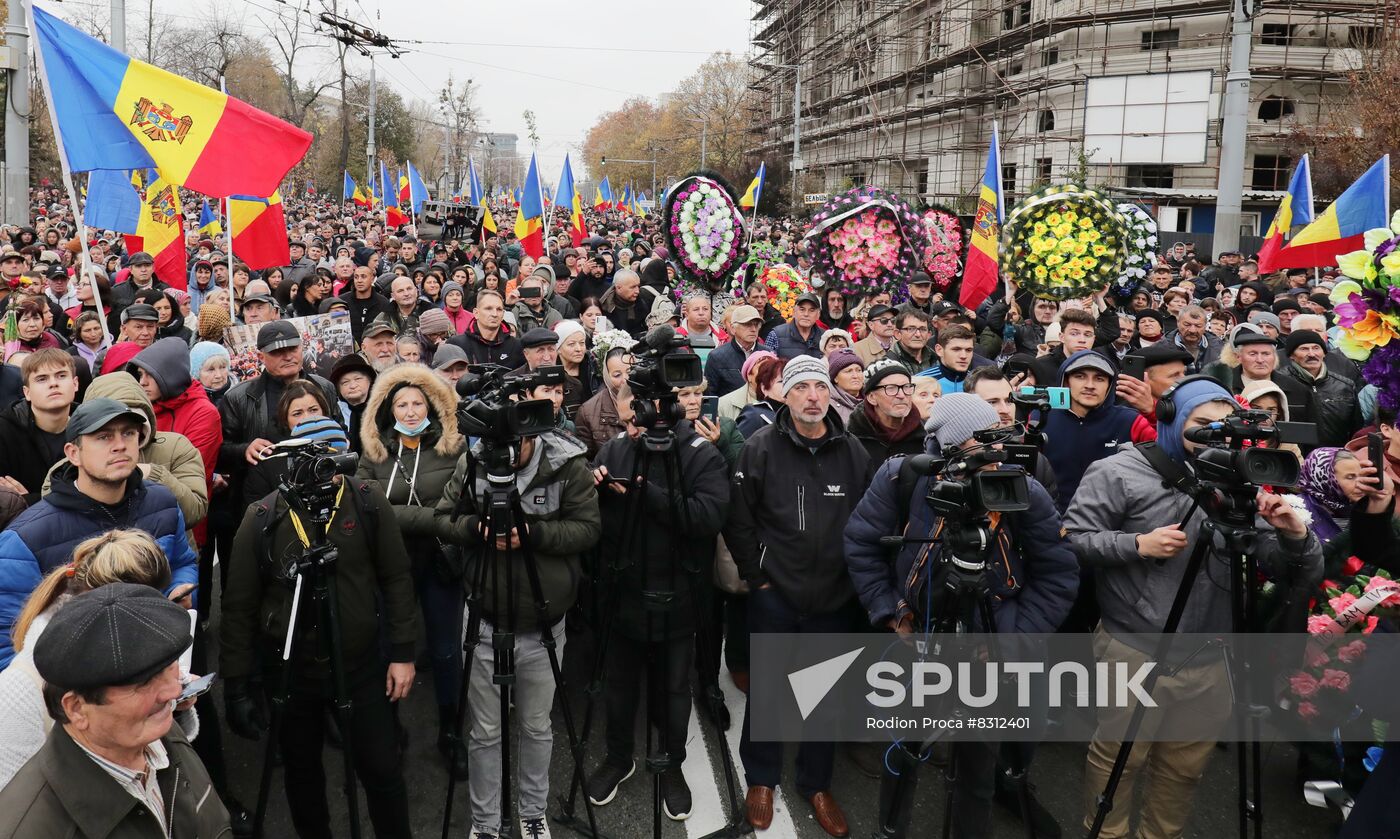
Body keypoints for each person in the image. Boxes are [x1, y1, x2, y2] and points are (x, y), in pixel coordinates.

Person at [1065, 377, 1322, 839]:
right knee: (1120, 760)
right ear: (1170, 418)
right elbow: (1076, 540)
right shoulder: (1118, 470)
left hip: (1212, 653)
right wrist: (1136, 544)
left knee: (1184, 770)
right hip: (1135, 646)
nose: (1213, 435)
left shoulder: (1243, 477)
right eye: (1201, 424)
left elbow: (1290, 567)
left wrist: (1293, 534)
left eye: (1222, 426)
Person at [844, 392, 1078, 839]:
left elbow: (1060, 573)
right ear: (949, 446)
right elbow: (861, 543)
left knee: (977, 765)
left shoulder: (1018, 487)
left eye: (995, 439)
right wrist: (893, 612)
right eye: (977, 442)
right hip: (920, 638)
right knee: (904, 753)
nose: (991, 454)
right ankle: (890, 828)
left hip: (991, 647)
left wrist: (1013, 638)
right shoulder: (904, 476)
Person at [221, 417, 417, 839]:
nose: (323, 466)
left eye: (333, 454)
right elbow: (238, 607)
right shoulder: (261, 517)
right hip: (291, 670)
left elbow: (397, 577)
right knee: (302, 772)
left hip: (361, 664)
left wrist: (402, 652)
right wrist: (237, 685)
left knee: (382, 767)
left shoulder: (367, 500)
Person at [432, 418, 600, 839]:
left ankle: (531, 812)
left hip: (543, 621)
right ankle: (486, 822)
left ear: (533, 437)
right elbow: (443, 518)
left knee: (536, 726)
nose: (501, 456)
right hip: (486, 620)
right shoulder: (474, 462)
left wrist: (535, 534)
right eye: (494, 446)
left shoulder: (566, 465)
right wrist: (476, 528)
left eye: (513, 446)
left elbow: (588, 528)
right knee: (486, 731)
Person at [725, 355, 872, 838]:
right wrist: (757, 577)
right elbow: (740, 521)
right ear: (784, 394)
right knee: (768, 690)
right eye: (803, 387)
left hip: (833, 597)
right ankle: (761, 778)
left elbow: (868, 525)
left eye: (821, 387)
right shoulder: (760, 448)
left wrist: (853, 581)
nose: (813, 396)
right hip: (776, 593)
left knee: (822, 695)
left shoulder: (853, 452)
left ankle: (816, 783)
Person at [585, 388, 729, 820]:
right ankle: (618, 757)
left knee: (672, 687)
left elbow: (708, 516)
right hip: (622, 589)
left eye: (643, 414)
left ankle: (672, 766)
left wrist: (648, 494)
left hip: (680, 591)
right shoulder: (614, 448)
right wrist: (595, 487)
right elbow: (587, 513)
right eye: (631, 413)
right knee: (620, 684)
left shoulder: (700, 453)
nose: (636, 424)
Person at [0, 582, 231, 838]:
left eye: (169, 667)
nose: (173, 692)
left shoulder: (159, 736)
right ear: (77, 709)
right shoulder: (29, 829)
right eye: (143, 682)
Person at [0, 397, 198, 668]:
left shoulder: (161, 502)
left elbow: (182, 562)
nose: (120, 445)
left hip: (156, 664)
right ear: (73, 453)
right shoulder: (26, 539)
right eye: (103, 437)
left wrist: (178, 589)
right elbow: (8, 642)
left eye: (128, 433)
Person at [356, 365, 469, 779]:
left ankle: (451, 731)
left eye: (417, 402)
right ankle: (392, 730)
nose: (408, 410)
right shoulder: (375, 452)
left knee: (444, 650)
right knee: (389, 647)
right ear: (388, 409)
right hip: (389, 565)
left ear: (432, 406)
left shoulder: (451, 449)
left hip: (440, 561)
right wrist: (427, 517)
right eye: (400, 403)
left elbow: (456, 509)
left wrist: (398, 516)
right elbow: (365, 507)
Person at [1043, 350, 1156, 514]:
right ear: (1066, 382)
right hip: (1052, 520)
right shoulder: (1041, 417)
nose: (1090, 385)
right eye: (1080, 376)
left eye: (1099, 378)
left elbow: (1168, 456)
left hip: (1112, 522)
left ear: (1110, 385)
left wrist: (1151, 412)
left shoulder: (1130, 421)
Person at [0, 349, 78, 505]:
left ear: (75, 384)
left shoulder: (92, 428)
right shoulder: (4, 432)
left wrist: (31, 499)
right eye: (42, 379)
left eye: (61, 375)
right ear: (27, 392)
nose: (53, 383)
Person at [1276, 330, 1361, 449]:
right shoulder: (1279, 384)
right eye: (1304, 349)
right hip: (1294, 457)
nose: (1311, 354)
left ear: (1324, 353)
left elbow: (1356, 429)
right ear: (1291, 355)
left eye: (1316, 348)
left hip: (1336, 457)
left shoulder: (1344, 385)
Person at [846, 358, 926, 468]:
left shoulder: (927, 436)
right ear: (872, 397)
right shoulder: (850, 439)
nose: (901, 395)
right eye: (891, 388)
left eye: (907, 387)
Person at [450, 289, 525, 369]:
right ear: (476, 313)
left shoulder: (516, 346)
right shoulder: (456, 345)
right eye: (488, 309)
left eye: (499, 309)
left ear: (503, 314)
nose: (494, 314)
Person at [705, 304, 764, 397]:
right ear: (733, 329)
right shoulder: (717, 357)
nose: (753, 329)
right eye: (747, 324)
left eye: (756, 325)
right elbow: (710, 395)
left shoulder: (767, 355)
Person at [918, 323, 979, 393]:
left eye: (968, 350)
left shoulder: (979, 383)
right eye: (956, 349)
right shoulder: (921, 382)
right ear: (939, 350)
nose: (963, 356)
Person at [764, 292, 824, 360]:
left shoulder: (825, 337)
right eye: (802, 309)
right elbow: (766, 366)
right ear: (794, 312)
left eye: (811, 310)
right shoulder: (776, 335)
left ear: (818, 315)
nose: (806, 314)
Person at [827, 349, 865, 423]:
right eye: (848, 371)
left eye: (859, 370)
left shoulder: (873, 399)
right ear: (835, 378)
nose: (855, 376)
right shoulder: (828, 407)